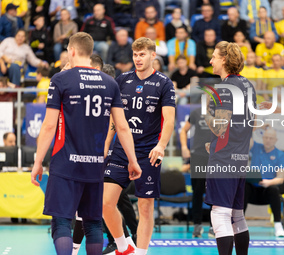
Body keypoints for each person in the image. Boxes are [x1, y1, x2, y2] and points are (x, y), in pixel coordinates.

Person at [30, 32, 142, 255]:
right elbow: (122, 127)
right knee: (92, 223)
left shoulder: (60, 80)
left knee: (61, 223)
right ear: (90, 53)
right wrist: (133, 160)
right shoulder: (110, 83)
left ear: (71, 51)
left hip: (65, 162)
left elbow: (49, 126)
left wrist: (38, 161)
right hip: (95, 164)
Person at [102, 37, 176, 255]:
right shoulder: (122, 80)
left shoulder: (164, 83)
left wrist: (161, 145)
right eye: (135, 54)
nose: (138, 58)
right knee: (105, 203)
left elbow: (169, 120)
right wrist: (105, 147)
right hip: (121, 150)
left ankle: (141, 253)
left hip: (148, 151)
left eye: (142, 54)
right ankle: (124, 247)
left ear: (153, 55)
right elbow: (113, 121)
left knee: (145, 207)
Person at [204, 41, 256, 255]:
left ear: (224, 59)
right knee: (237, 214)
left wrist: (205, 111)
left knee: (220, 214)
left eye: (214, 56)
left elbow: (219, 127)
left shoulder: (224, 88)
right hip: (240, 156)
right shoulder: (247, 85)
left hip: (224, 158)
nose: (211, 60)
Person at [245, 128, 284, 237]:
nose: (268, 140)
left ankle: (278, 226)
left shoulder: (280, 155)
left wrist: (269, 182)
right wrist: (258, 127)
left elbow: (280, 178)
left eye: (271, 138)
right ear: (263, 138)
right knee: (243, 187)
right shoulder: (256, 148)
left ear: (275, 140)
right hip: (252, 190)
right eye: (266, 137)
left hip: (267, 191)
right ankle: (239, 224)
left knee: (274, 189)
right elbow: (246, 136)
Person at [180, 107, 211, 237]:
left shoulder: (224, 113)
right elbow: (184, 130)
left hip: (215, 157)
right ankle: (197, 225)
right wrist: (184, 147)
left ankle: (214, 226)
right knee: (197, 192)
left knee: (214, 192)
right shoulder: (197, 112)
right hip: (198, 156)